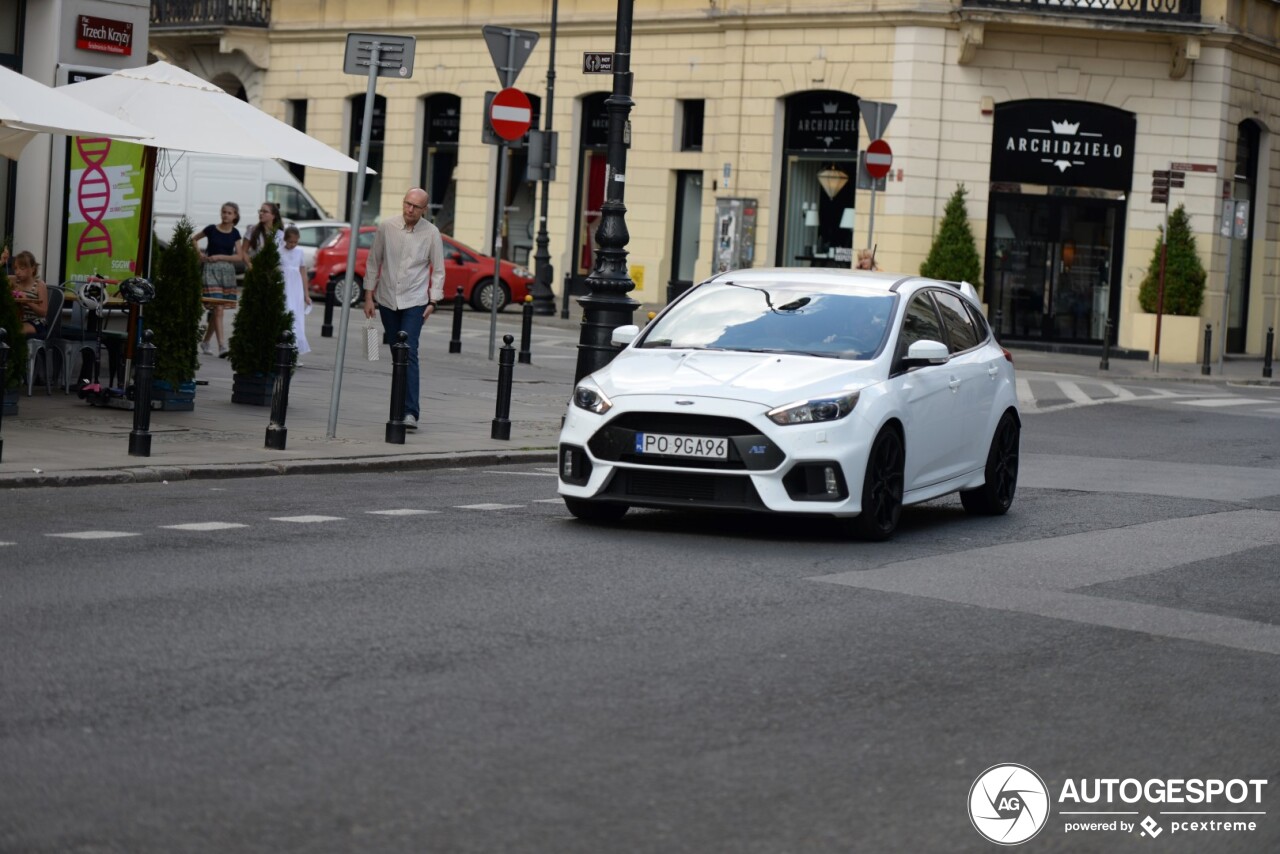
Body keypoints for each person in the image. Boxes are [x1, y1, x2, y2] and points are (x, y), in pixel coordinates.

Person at [362, 187, 445, 431]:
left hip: (415, 301)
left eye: (415, 206)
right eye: (407, 204)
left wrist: (433, 301)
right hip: (387, 299)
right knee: (396, 354)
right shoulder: (387, 227)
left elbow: (438, 269)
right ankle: (397, 407)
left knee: (408, 352)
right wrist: (369, 297)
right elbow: (373, 262)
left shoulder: (431, 233)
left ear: (424, 209)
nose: (409, 209)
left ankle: (410, 412)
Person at [193, 202, 243, 357]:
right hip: (210, 270)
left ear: (235, 216)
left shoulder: (235, 233)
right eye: (224, 212)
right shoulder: (211, 229)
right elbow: (194, 239)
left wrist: (221, 256)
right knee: (218, 308)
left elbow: (239, 256)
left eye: (229, 213)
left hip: (227, 272)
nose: (226, 215)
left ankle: (206, 341)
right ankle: (222, 345)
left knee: (218, 310)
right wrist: (199, 254)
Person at [280, 225, 311, 362]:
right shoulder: (279, 251)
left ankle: (294, 353)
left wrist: (306, 294)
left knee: (296, 317)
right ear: (285, 239)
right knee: (286, 313)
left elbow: (303, 272)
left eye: (295, 242)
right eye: (290, 242)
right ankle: (284, 351)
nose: (292, 245)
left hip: (296, 288)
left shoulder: (299, 252)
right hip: (284, 288)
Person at [10, 250, 50, 338]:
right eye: (15, 268)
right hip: (18, 320)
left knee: (14, 330)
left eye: (22, 268)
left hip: (36, 322)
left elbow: (43, 312)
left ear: (33, 268)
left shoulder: (39, 285)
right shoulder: (14, 281)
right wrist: (2, 260)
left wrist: (27, 301)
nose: (17, 272)